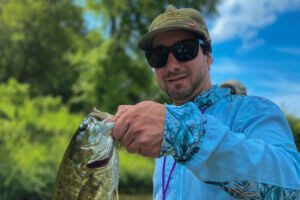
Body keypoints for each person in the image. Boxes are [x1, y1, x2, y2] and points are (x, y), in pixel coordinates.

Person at [108, 5, 300, 199]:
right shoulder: (162, 128)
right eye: (159, 56)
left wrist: (181, 133)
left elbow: (293, 187)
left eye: (185, 50)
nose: (172, 65)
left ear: (208, 56)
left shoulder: (255, 111)